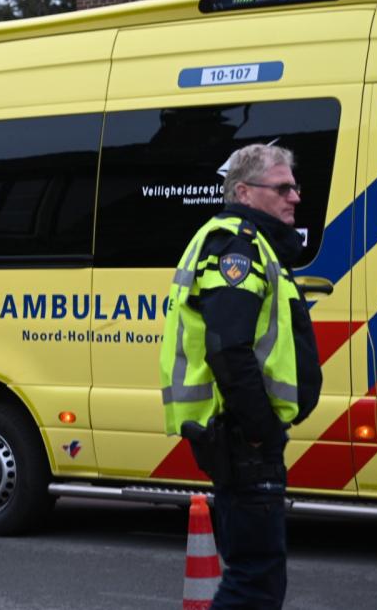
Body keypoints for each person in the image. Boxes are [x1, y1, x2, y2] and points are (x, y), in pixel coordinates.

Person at [159, 144, 322, 609]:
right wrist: (259, 429)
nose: (295, 197)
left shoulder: (252, 242)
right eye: (283, 188)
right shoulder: (237, 246)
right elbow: (228, 348)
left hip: (241, 436)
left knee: (256, 576)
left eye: (295, 187)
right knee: (255, 582)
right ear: (245, 192)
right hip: (242, 438)